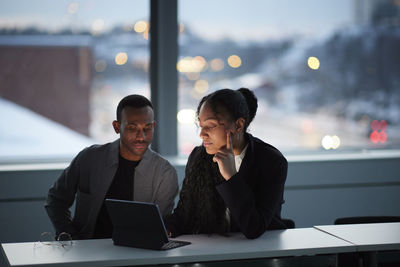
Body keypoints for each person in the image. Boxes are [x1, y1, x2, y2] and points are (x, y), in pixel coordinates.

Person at [45, 94, 178, 240]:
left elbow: (159, 228)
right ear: (116, 127)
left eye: (147, 128)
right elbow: (56, 199)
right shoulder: (89, 158)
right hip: (85, 252)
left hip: (137, 255)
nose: (141, 136)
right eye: (132, 128)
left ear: (154, 126)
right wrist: (68, 234)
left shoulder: (165, 174)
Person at [165, 88, 288, 239]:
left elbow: (254, 227)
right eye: (201, 126)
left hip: (260, 250)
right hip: (214, 248)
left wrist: (231, 176)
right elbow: (184, 214)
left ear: (238, 125)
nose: (202, 134)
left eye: (210, 126)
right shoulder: (199, 157)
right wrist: (166, 230)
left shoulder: (271, 161)